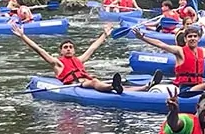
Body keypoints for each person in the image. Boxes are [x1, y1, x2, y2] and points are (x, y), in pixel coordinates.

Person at [10, 21, 162, 94]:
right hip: (77, 85)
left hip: (86, 82)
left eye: (70, 47)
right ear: (61, 51)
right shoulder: (57, 63)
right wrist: (23, 36)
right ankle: (112, 87)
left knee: (115, 85)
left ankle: (145, 87)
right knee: (96, 81)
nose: (68, 49)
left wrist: (105, 34)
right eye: (65, 48)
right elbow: (38, 49)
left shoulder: (79, 60)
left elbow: (93, 47)